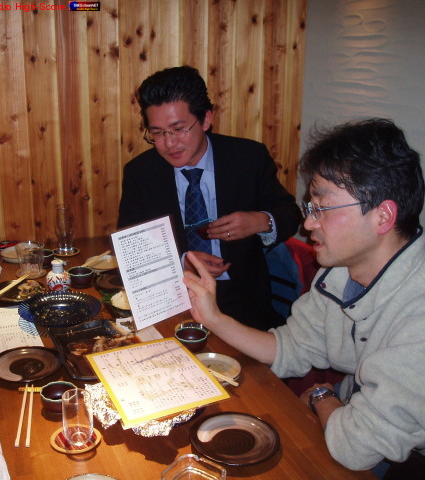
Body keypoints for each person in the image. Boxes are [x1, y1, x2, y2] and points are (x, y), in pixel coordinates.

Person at [183, 118, 425, 475]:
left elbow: (357, 448)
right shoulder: (341, 270)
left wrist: (324, 397)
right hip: (352, 419)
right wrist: (212, 317)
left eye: (321, 209)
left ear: (383, 216)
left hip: (419, 461)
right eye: (310, 209)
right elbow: (289, 348)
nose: (308, 224)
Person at [117, 66, 302, 331]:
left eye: (179, 129)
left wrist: (261, 221)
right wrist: (182, 262)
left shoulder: (248, 158)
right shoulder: (141, 173)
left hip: (244, 302)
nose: (169, 144)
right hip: (173, 299)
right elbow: (131, 246)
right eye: (157, 133)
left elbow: (290, 214)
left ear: (205, 119)